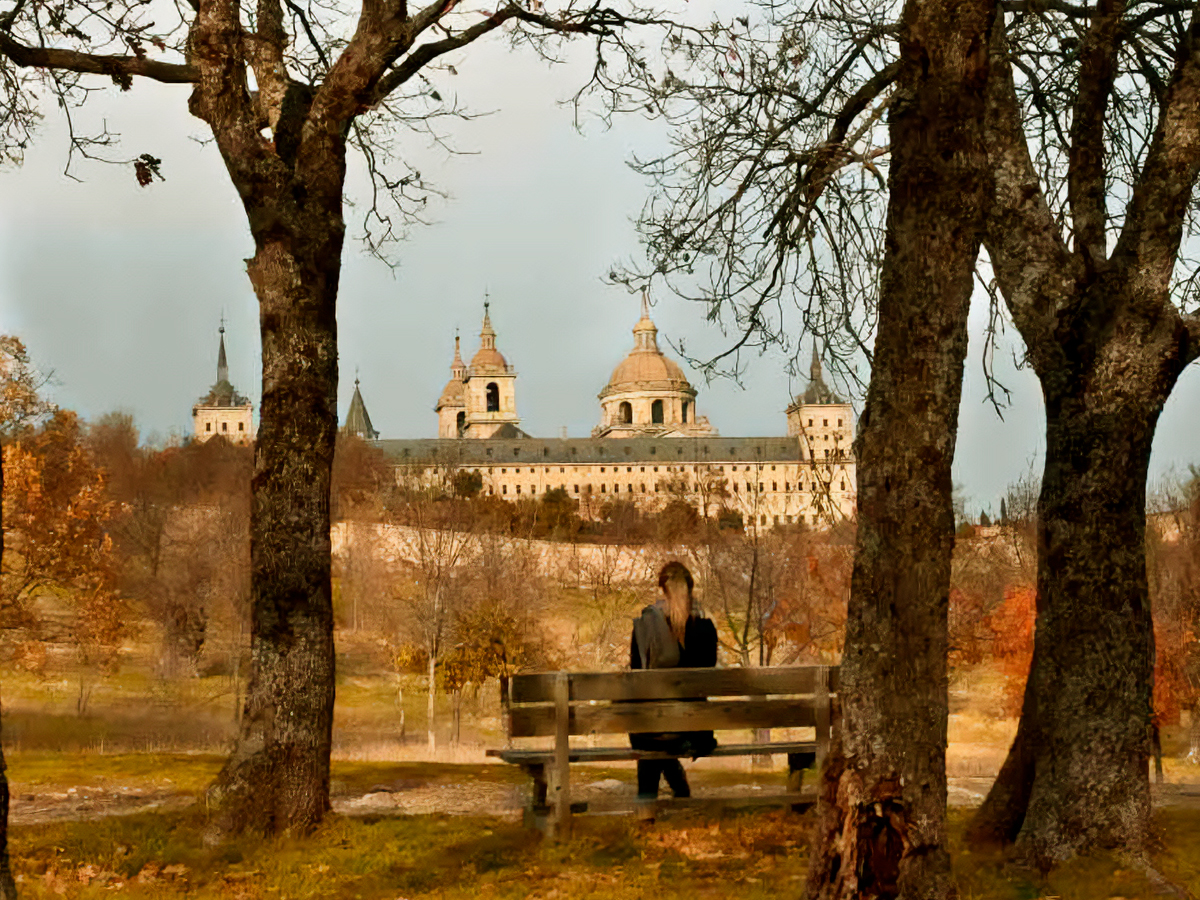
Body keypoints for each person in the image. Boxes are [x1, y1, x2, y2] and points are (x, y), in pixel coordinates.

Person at [629, 560, 718, 800]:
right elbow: (709, 676)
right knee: (663, 737)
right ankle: (681, 795)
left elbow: (636, 676)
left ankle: (646, 806)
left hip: (652, 730)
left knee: (652, 736)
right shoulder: (706, 628)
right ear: (691, 589)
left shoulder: (646, 627)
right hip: (692, 730)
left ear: (662, 589)